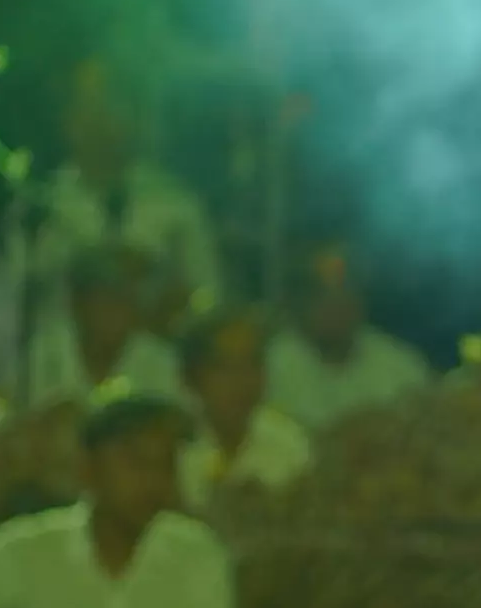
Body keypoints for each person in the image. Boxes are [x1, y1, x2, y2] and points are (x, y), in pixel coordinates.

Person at [0, 393, 239, 608]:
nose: (152, 480)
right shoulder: (20, 552)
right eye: (136, 462)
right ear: (88, 469)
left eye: (164, 464)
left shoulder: (197, 556)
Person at [29, 59, 222, 340]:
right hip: (57, 363)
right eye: (89, 106)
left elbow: (209, 298)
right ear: (66, 120)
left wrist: (174, 309)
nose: (101, 119)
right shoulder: (38, 208)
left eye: (111, 104)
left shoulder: (175, 205)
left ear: (133, 118)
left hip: (155, 360)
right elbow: (12, 305)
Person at [265, 242, 430, 430]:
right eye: (322, 292)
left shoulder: (403, 367)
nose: (336, 301)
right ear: (296, 300)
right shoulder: (267, 371)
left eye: (346, 288)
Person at [177, 306, 313, 511]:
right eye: (225, 367)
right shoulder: (172, 446)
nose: (241, 381)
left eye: (252, 364)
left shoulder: (290, 442)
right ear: (191, 377)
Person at [25, 247, 181, 410]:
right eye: (102, 301)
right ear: (78, 305)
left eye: (121, 300)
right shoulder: (43, 353)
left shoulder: (158, 362)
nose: (112, 313)